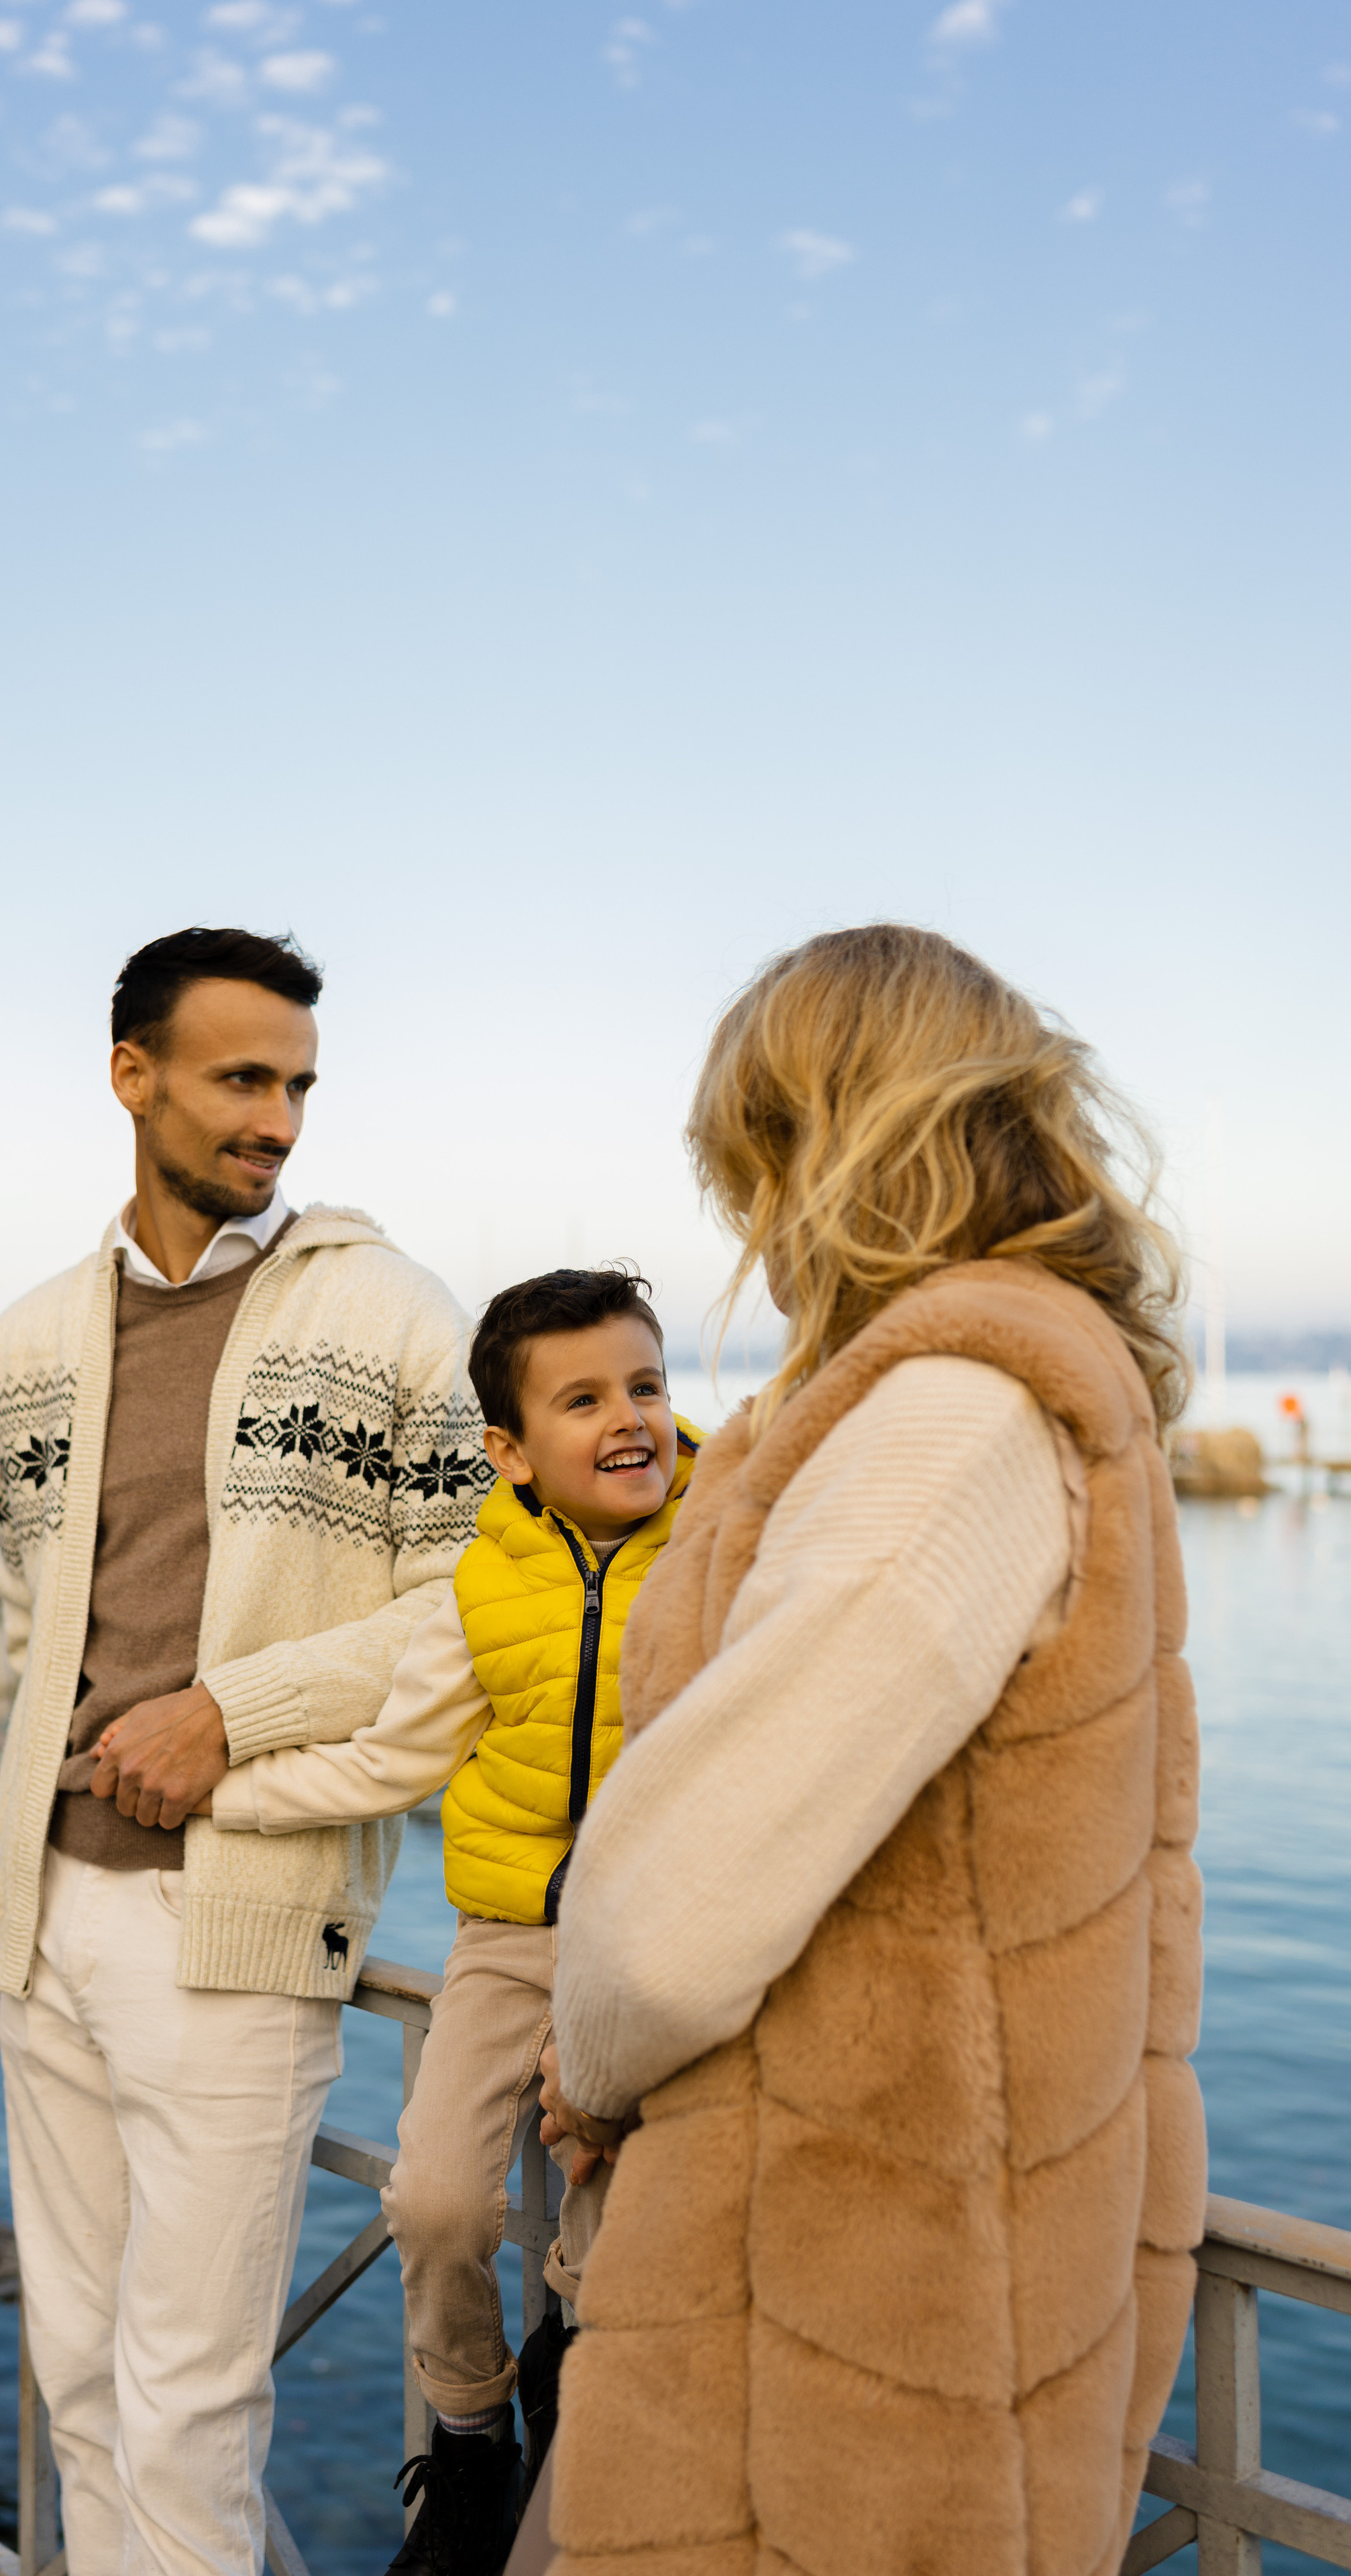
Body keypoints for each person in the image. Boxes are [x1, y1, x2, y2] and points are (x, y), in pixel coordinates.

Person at [538, 925, 1207, 2576]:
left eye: (752, 1162)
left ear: (830, 1144)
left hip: (847, 2308)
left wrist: (587, 2061)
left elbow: (678, 1909)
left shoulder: (946, 1421)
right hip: (901, 2271)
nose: (746, 1222)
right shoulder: (983, 1391)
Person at [0, 925, 490, 2576]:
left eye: (298, 1087)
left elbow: (473, 1607)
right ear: (131, 1077)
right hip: (43, 1911)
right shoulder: (29, 1343)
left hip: (242, 1924)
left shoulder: (392, 1315)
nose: (277, 1120)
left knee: (186, 2405)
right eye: (241, 1079)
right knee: (77, 2380)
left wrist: (228, 1716)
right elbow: (36, 1618)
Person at [194, 1267, 699, 2576]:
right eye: (581, 1400)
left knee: (613, 2231)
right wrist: (225, 1796)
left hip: (661, 1955)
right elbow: (391, 1761)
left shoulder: (722, 1558)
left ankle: (578, 2407)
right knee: (429, 2201)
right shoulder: (478, 1587)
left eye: (644, 1386)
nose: (628, 1418)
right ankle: (472, 2441)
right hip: (507, 1944)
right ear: (509, 1451)